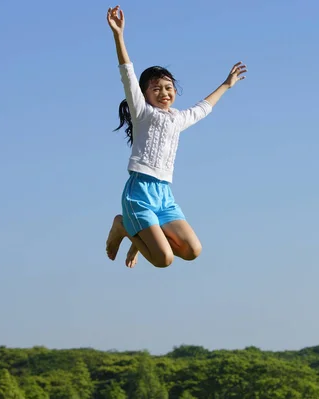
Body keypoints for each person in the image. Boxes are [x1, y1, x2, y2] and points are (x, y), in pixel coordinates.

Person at [104, 5, 247, 268]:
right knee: (163, 260)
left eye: (169, 87)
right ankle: (123, 226)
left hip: (164, 195)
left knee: (192, 250)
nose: (164, 92)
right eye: (155, 88)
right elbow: (127, 73)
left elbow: (204, 108)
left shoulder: (178, 119)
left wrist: (226, 85)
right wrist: (118, 36)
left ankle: (139, 237)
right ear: (144, 94)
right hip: (139, 192)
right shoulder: (142, 113)